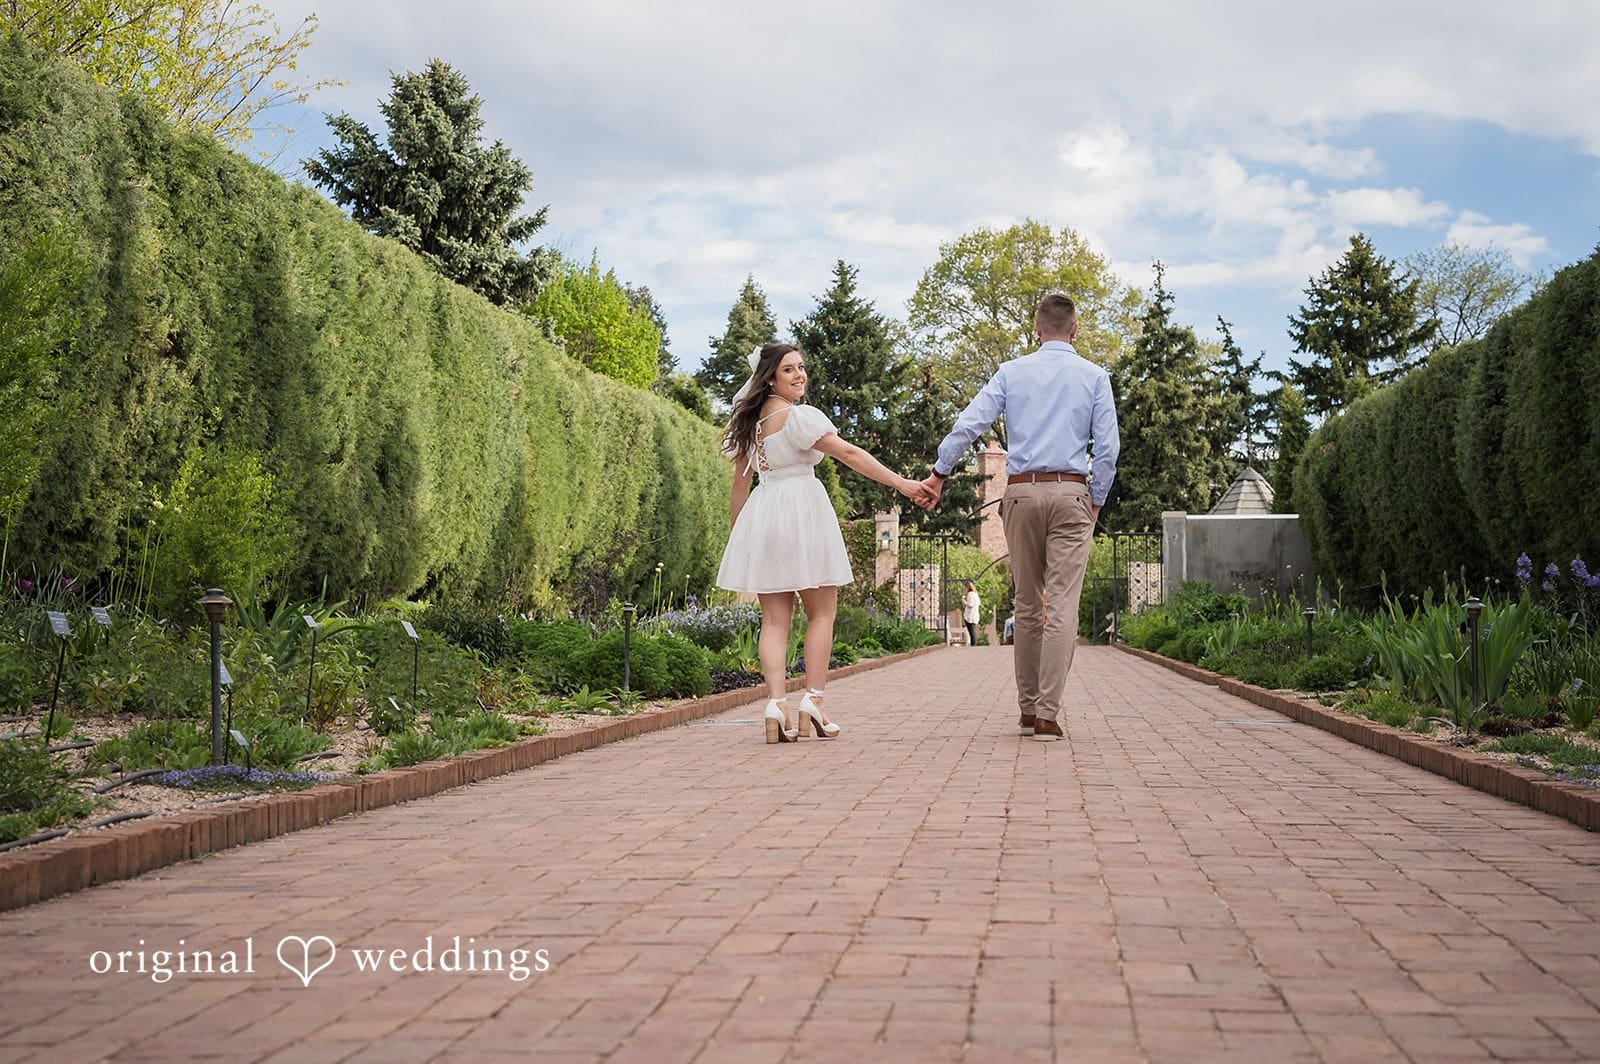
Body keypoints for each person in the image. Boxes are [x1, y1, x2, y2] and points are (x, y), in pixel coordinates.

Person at [916, 292, 1119, 742]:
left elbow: (969, 424)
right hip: (1072, 494)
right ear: (1076, 329)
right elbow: (1107, 449)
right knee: (1062, 604)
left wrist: (939, 473)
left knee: (1027, 603)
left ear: (1036, 327)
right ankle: (1048, 712)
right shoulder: (1095, 377)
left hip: (1021, 494)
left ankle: (1027, 710)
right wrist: (1096, 499)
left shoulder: (1012, 372)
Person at [716, 343, 930, 743]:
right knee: (821, 613)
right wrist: (902, 483)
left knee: (775, 620)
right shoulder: (800, 418)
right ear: (770, 378)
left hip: (765, 516)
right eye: (789, 370)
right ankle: (813, 699)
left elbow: (739, 488)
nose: (800, 375)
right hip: (803, 511)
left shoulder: (750, 427)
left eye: (801, 368)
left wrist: (739, 540)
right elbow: (848, 453)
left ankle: (775, 705)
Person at [962, 580, 981, 647]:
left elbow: (970, 605)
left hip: (970, 616)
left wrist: (964, 600)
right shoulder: (976, 594)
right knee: (972, 632)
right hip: (975, 615)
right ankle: (974, 645)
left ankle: (974, 646)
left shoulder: (970, 594)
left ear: (967, 587)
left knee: (972, 632)